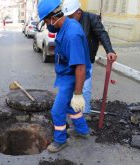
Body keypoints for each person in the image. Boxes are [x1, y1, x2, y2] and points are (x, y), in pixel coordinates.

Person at [38, 0, 90, 153]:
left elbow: (80, 67)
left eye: (46, 21)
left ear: (52, 18)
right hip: (67, 73)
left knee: (57, 110)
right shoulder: (66, 26)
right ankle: (82, 130)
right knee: (70, 106)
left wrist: (78, 94)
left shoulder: (71, 34)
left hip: (73, 76)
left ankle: (60, 140)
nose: (47, 25)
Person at [48, 0, 117, 116]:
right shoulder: (66, 21)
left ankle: (84, 114)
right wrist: (49, 19)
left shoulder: (92, 18)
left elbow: (102, 34)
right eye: (67, 16)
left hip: (85, 61)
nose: (69, 19)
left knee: (84, 89)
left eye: (71, 16)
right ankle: (73, 111)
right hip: (69, 63)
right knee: (70, 88)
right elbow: (53, 28)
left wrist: (109, 50)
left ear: (78, 12)